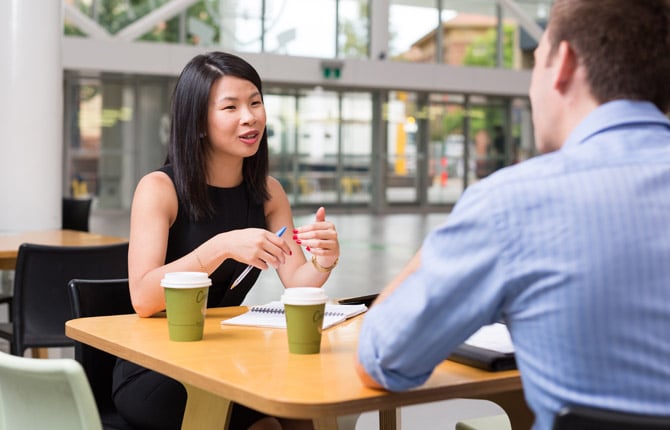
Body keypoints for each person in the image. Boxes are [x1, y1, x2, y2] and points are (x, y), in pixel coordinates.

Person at [356, 1, 670, 429]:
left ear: (562, 63)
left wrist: (439, 250)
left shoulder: (513, 202)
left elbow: (381, 359)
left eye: (535, 64)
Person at [112, 51, 340, 430]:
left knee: (304, 409)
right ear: (199, 122)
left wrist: (324, 261)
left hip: (226, 358)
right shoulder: (159, 189)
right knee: (269, 423)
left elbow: (297, 281)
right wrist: (221, 247)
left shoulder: (268, 192)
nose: (249, 117)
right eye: (230, 107)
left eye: (255, 102)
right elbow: (143, 298)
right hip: (158, 369)